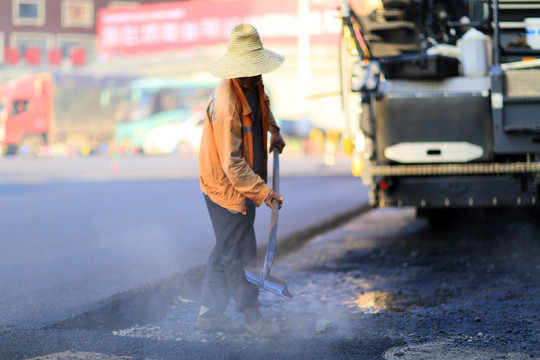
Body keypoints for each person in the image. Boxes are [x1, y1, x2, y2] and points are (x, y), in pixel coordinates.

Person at [196, 23, 287, 338]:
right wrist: (265, 193)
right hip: (226, 187)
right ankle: (252, 316)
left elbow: (264, 105)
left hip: (246, 182)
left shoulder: (254, 83)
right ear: (236, 69)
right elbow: (232, 164)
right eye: (248, 70)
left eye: (256, 69)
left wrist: (274, 131)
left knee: (227, 246)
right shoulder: (226, 105)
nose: (254, 75)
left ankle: (209, 314)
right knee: (240, 252)